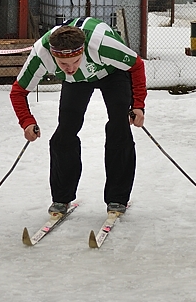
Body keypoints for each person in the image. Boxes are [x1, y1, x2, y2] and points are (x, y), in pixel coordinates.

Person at [10, 17, 146, 216]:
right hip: (76, 82)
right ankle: (61, 198)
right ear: (53, 55)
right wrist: (27, 122)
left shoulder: (101, 44)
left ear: (83, 51)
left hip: (111, 72)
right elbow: (18, 92)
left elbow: (136, 65)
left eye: (75, 60)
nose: (70, 67)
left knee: (119, 127)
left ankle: (117, 198)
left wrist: (138, 105)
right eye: (63, 63)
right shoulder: (41, 53)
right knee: (65, 132)